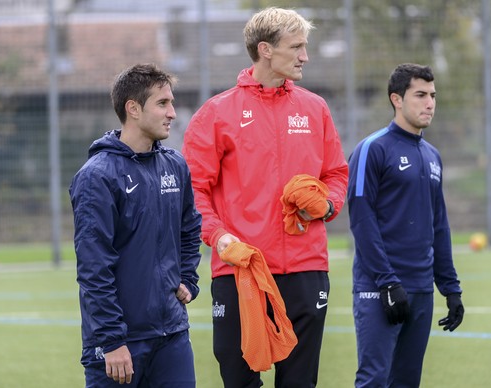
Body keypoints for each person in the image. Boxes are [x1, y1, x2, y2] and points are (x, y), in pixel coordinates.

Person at [181, 7, 348, 388]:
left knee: (299, 383)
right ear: (266, 49)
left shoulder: (315, 108)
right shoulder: (216, 114)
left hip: (307, 269)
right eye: (297, 46)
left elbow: (336, 174)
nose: (305, 55)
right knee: (239, 380)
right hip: (242, 272)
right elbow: (193, 192)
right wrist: (220, 237)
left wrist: (329, 204)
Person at [70, 63, 202, 387]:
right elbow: (94, 267)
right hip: (119, 344)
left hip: (172, 335)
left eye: (171, 102)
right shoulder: (96, 177)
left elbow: (190, 227)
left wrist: (188, 276)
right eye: (162, 103)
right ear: (133, 109)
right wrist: (112, 340)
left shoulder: (175, 165)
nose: (172, 113)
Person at [347, 63, 465, 388]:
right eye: (421, 95)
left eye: (433, 95)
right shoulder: (372, 149)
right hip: (378, 288)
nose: (430, 103)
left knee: (407, 382)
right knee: (374, 380)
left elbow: (438, 225)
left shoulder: (432, 156)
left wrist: (450, 289)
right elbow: (361, 218)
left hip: (421, 290)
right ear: (396, 99)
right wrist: (386, 282)